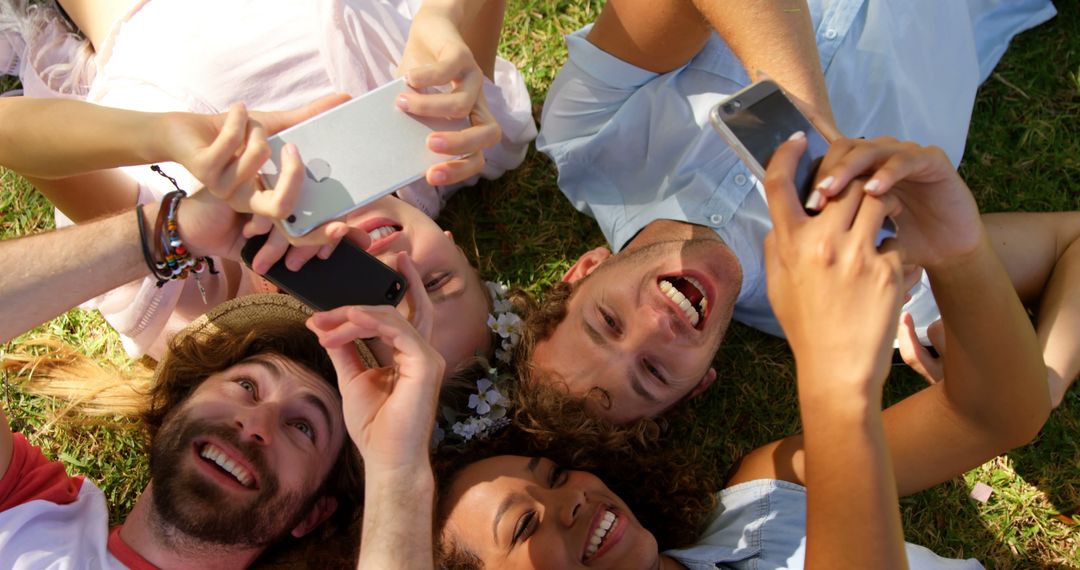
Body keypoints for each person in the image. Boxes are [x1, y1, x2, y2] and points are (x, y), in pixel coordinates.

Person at [429, 136, 1051, 569]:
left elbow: (993, 416)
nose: (572, 502)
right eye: (522, 529)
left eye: (557, 477)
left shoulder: (764, 493)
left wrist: (958, 254)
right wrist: (834, 381)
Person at [529, 0, 1077, 422]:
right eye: (653, 372)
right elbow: (1069, 246)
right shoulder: (850, 294)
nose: (655, 326)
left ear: (587, 270)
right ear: (699, 383)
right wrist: (1043, 381)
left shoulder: (589, 142)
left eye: (607, 322)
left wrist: (811, 132)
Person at [0, 0, 537, 374]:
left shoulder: (196, 280)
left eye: (379, 306)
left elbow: (12, 132)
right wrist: (440, 15)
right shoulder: (448, 142)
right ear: (452, 241)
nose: (396, 264)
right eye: (437, 280)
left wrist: (158, 134)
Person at [0, 144, 447, 568]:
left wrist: (396, 465)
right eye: (246, 387)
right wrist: (175, 231)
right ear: (178, 408)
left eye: (303, 428)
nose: (255, 425)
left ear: (312, 514)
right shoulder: (32, 511)